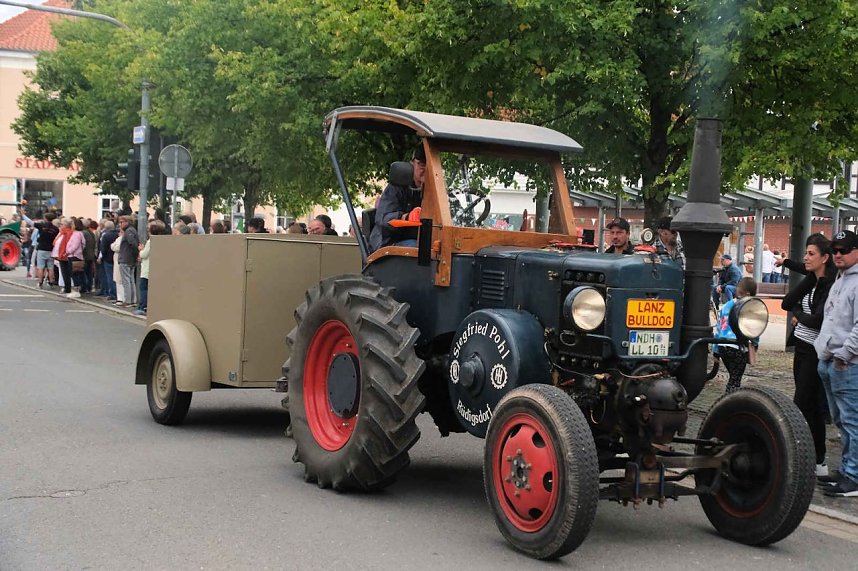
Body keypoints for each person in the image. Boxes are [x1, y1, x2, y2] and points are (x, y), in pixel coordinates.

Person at [781, 233, 836, 477]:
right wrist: (799, 313)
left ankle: (806, 457)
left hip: (815, 350)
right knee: (809, 405)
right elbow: (787, 302)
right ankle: (816, 461)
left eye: (811, 254)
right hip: (801, 347)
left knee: (802, 404)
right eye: (806, 252)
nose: (806, 257)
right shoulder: (812, 279)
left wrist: (800, 317)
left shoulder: (830, 283)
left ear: (825, 258)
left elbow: (817, 320)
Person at [815, 230, 858, 497]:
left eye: (844, 250)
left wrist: (844, 354)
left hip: (847, 363)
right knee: (842, 421)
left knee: (852, 421)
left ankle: (853, 476)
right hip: (831, 360)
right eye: (835, 250)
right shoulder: (841, 280)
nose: (838, 254)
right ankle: (846, 470)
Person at [369, 144, 426, 251]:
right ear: (412, 164)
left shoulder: (436, 192)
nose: (426, 170)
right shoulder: (396, 187)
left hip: (419, 240)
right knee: (419, 249)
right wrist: (407, 217)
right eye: (421, 165)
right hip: (387, 243)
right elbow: (383, 218)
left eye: (431, 167)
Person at [714, 277, 758, 393]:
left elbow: (719, 328)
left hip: (723, 345)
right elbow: (754, 328)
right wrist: (755, 344)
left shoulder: (727, 305)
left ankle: (729, 398)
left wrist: (715, 351)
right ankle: (730, 400)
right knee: (735, 379)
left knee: (732, 375)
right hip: (737, 347)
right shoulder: (749, 307)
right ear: (749, 294)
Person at [117, 216, 139, 307]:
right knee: (130, 280)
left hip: (126, 258)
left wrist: (134, 253)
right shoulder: (132, 230)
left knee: (126, 280)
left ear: (127, 222)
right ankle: (132, 300)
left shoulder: (129, 231)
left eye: (121, 222)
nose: (120, 224)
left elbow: (132, 243)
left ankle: (128, 300)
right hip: (130, 258)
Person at [33, 212, 58, 288]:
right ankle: (51, 282)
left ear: (45, 219)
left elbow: (30, 222)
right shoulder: (55, 229)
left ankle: (40, 282)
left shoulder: (41, 226)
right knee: (50, 267)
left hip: (41, 249)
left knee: (41, 267)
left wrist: (23, 215)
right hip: (51, 249)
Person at [98, 220, 118, 301]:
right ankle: (116, 293)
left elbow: (103, 248)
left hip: (108, 259)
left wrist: (102, 257)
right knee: (116, 277)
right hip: (116, 258)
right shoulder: (118, 234)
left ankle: (111, 293)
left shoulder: (106, 236)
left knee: (109, 277)